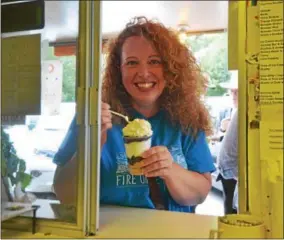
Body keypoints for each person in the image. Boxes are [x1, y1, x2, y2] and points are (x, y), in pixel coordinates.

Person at [53, 17, 216, 213]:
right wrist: (92, 144)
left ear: (171, 68)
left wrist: (170, 170)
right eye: (132, 63)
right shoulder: (95, 117)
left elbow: (200, 194)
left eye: (154, 61)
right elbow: (64, 194)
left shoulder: (187, 119)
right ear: (118, 71)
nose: (144, 73)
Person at [217, 110, 238, 214]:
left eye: (236, 92)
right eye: (232, 92)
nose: (234, 95)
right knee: (229, 209)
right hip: (228, 170)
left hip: (234, 171)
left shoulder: (245, 109)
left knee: (232, 213)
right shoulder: (236, 111)